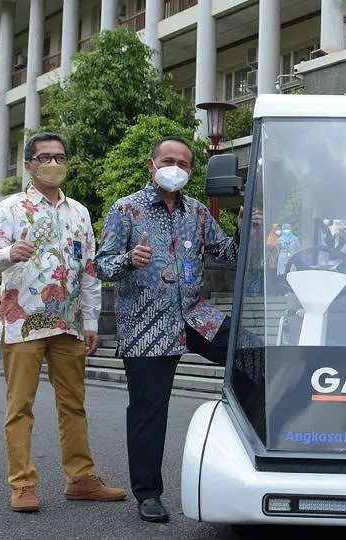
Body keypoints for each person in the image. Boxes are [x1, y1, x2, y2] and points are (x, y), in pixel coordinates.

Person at [93, 136, 262, 523]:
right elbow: (101, 266)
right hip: (147, 324)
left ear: (190, 170)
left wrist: (244, 229)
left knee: (252, 353)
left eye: (184, 163)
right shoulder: (126, 210)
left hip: (195, 316)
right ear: (152, 165)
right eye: (168, 160)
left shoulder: (198, 213)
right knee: (149, 412)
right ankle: (148, 494)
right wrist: (129, 259)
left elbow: (230, 256)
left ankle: (248, 447)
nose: (176, 167)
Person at [0, 131, 126, 513]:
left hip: (69, 324)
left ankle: (81, 478)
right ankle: (22, 484)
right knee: (20, 406)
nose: (53, 164)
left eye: (59, 157)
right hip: (22, 321)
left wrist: (91, 320)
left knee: (74, 405)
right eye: (44, 158)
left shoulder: (80, 213)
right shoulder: (10, 208)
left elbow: (89, 271)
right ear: (29, 165)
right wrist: (8, 252)